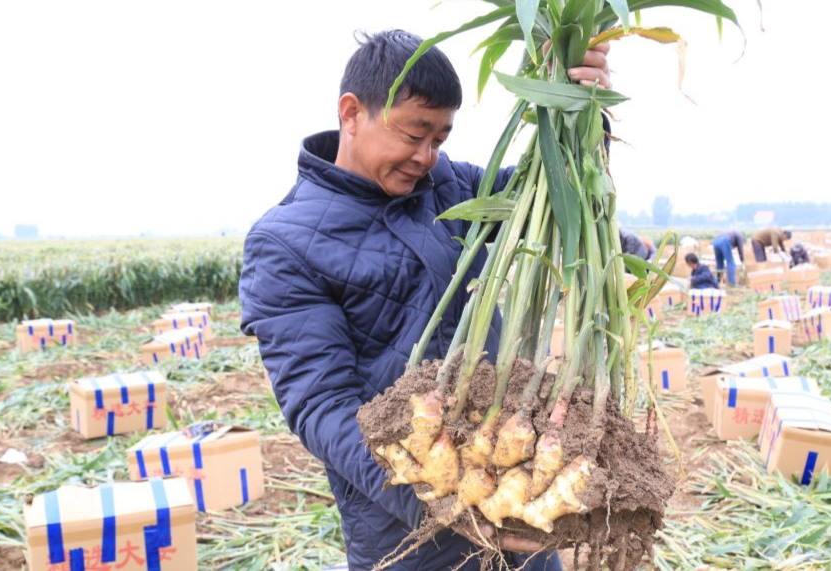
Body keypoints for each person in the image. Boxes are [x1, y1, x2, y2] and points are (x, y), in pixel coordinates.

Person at [238, 30, 612, 571]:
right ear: (351, 113)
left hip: (514, 492)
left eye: (439, 138)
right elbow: (322, 406)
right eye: (414, 134)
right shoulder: (285, 243)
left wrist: (582, 115)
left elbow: (549, 200)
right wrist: (442, 504)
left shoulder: (445, 184)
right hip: (407, 532)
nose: (426, 156)